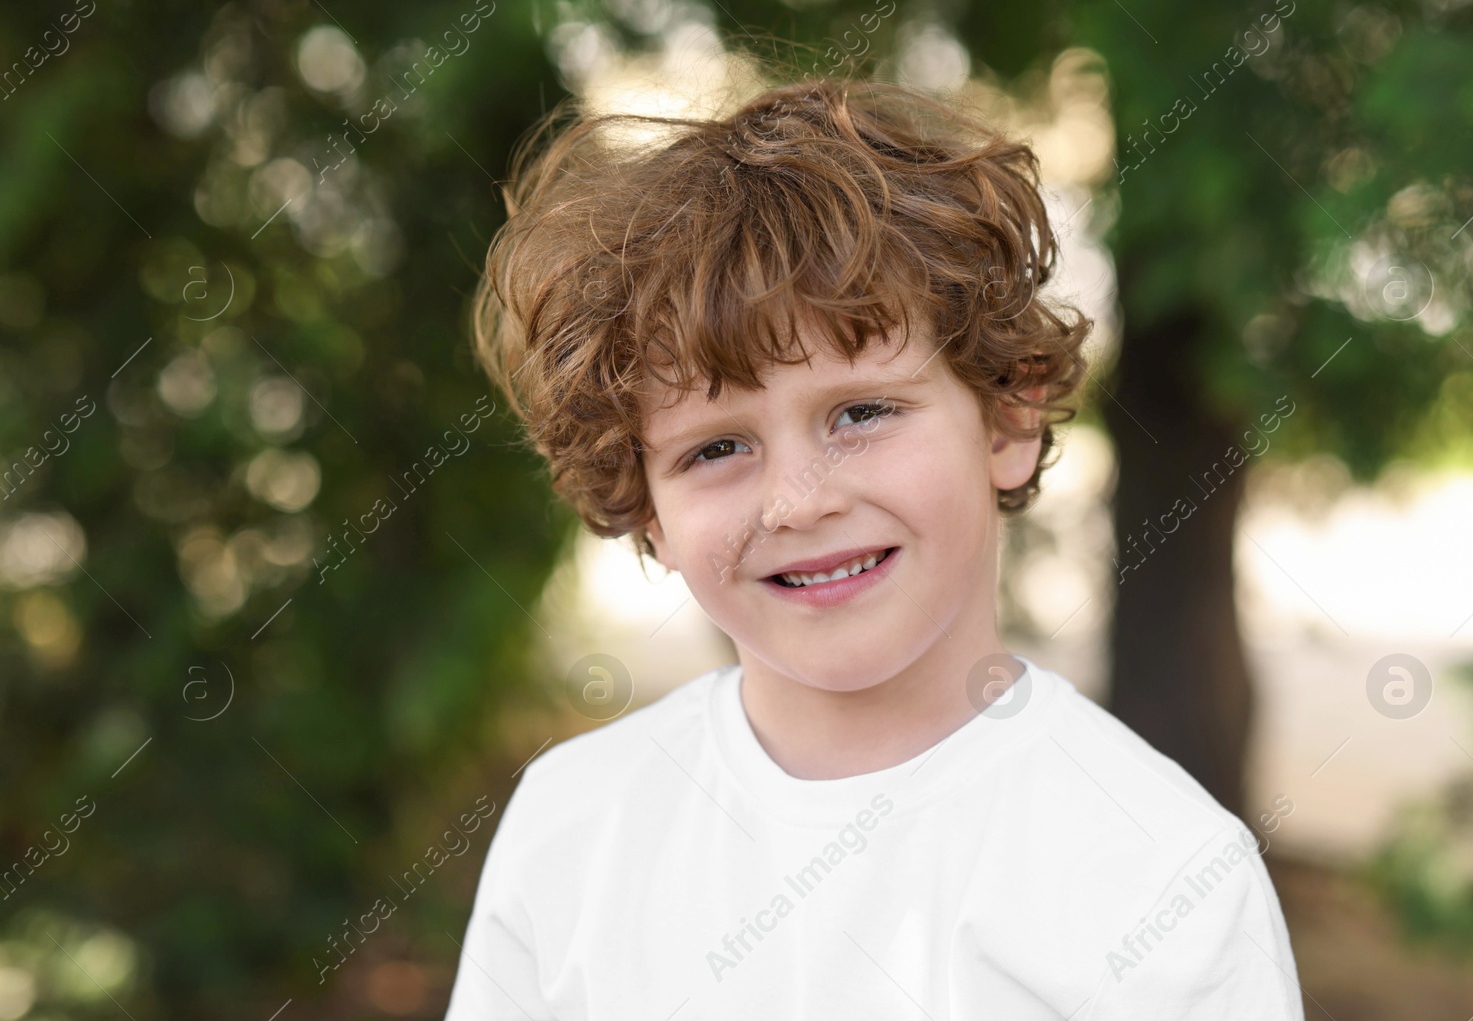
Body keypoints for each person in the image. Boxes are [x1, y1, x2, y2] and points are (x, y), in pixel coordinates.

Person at [444, 75, 1305, 1019]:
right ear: (645, 504)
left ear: (1007, 420)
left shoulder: (1165, 874)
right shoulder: (572, 829)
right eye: (716, 447)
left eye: (861, 412)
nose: (796, 502)